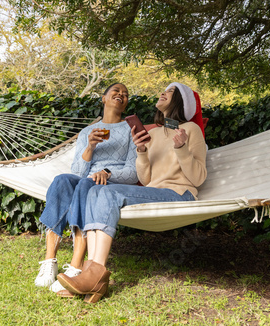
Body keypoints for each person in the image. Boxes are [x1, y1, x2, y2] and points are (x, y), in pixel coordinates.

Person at [57, 82, 207, 303]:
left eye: (171, 91)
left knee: (107, 193)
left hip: (180, 193)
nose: (163, 92)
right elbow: (145, 180)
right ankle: (91, 273)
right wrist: (142, 152)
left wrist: (182, 149)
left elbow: (198, 178)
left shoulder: (190, 130)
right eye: (164, 89)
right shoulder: (153, 133)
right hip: (154, 191)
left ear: (180, 101)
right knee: (96, 190)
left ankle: (95, 274)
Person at [34, 83, 139, 294]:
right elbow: (78, 171)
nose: (121, 95)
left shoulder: (131, 130)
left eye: (125, 94)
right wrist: (90, 147)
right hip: (86, 179)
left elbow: (133, 172)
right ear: (104, 98)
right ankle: (49, 261)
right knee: (62, 180)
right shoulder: (87, 132)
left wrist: (108, 172)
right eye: (116, 91)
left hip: (110, 183)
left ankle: (75, 266)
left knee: (84, 184)